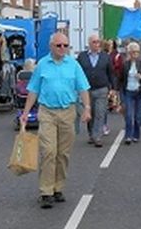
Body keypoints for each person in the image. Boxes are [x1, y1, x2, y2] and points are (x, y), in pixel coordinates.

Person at [20, 32, 91, 209]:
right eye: (59, 45)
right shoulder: (42, 65)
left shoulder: (73, 65)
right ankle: (46, 191)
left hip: (68, 111)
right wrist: (25, 112)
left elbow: (83, 88)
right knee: (48, 151)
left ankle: (58, 187)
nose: (62, 49)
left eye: (65, 46)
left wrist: (87, 108)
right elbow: (33, 90)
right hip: (47, 112)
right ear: (51, 46)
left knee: (63, 153)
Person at [76, 34, 116, 147]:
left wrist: (112, 88)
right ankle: (91, 134)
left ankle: (97, 136)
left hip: (101, 88)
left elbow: (111, 73)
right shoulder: (82, 57)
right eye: (94, 42)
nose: (97, 44)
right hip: (86, 91)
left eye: (98, 42)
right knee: (90, 113)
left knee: (100, 112)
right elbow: (77, 73)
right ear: (89, 44)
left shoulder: (105, 57)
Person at [117, 41, 141, 145]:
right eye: (133, 52)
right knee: (129, 115)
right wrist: (119, 93)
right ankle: (128, 136)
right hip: (128, 92)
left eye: (137, 52)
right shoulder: (125, 64)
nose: (135, 54)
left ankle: (136, 134)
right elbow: (121, 79)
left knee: (138, 116)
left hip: (139, 92)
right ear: (129, 53)